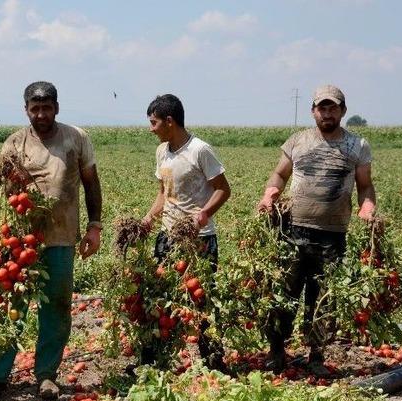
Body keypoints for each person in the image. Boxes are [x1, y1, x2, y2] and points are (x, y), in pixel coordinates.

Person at [0, 81, 103, 401]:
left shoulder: (76, 138)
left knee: (56, 306)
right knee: (7, 306)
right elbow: (7, 191)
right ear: (26, 109)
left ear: (57, 107)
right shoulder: (14, 143)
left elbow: (91, 183)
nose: (41, 114)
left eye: (47, 107)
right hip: (19, 241)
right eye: (35, 108)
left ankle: (47, 375)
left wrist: (94, 226)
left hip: (61, 237)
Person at [256, 84, 376, 376]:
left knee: (323, 297)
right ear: (313, 111)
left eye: (333, 107)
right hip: (293, 230)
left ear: (342, 111)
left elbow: (365, 185)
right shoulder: (298, 141)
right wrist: (270, 192)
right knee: (285, 294)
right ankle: (276, 352)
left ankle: (316, 356)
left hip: (332, 235)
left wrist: (367, 207)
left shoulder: (357, 146)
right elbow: (280, 173)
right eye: (322, 108)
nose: (327, 113)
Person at [141, 94, 231, 372]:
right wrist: (147, 219)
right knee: (158, 298)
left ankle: (214, 360)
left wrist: (203, 215)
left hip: (198, 240)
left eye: (154, 123)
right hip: (167, 236)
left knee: (201, 299)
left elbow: (223, 189)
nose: (151, 128)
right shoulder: (162, 152)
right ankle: (154, 361)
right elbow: (163, 194)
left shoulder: (199, 150)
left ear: (170, 121)